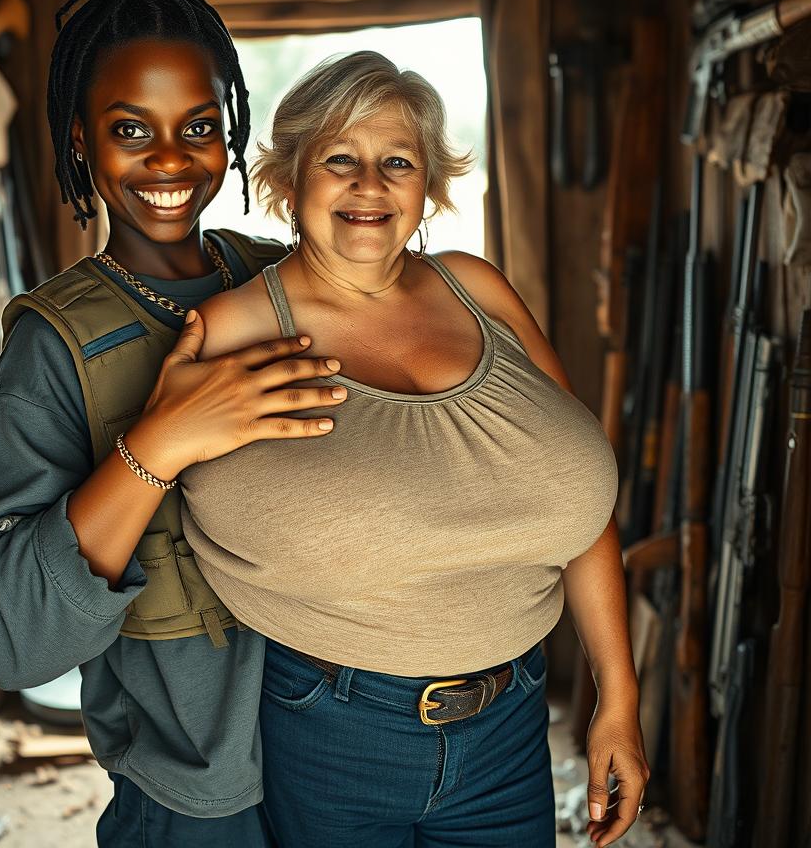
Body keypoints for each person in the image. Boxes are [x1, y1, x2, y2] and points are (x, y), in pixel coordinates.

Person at [0, 0, 346, 847]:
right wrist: (156, 446)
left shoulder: (289, 281)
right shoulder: (55, 348)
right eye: (131, 128)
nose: (170, 159)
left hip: (356, 762)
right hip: (199, 803)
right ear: (80, 137)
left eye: (199, 124)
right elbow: (0, 633)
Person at [179, 50, 651, 848]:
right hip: (331, 729)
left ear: (428, 186)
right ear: (287, 181)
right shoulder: (229, 333)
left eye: (397, 161)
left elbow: (579, 500)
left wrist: (619, 699)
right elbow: (147, 500)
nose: (370, 184)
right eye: (339, 159)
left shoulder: (481, 290)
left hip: (510, 723)